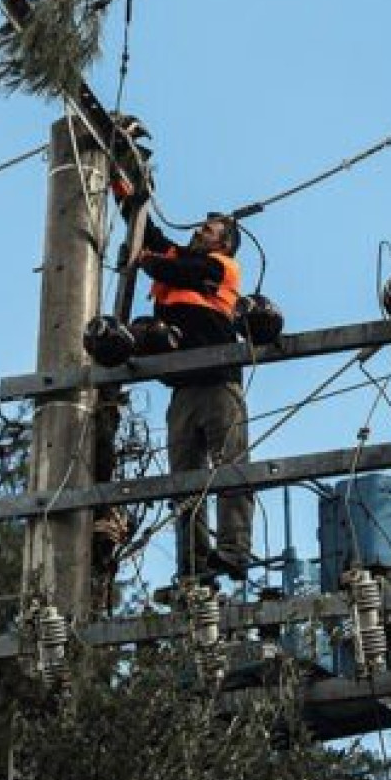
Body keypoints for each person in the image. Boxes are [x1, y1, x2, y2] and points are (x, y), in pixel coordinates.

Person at [131, 213, 254, 583]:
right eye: (200, 225)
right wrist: (127, 192)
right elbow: (149, 234)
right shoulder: (179, 258)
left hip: (218, 382)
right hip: (183, 388)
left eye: (209, 229)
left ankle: (234, 550)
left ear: (225, 243)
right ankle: (193, 565)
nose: (199, 229)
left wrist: (145, 262)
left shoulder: (221, 267)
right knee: (185, 482)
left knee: (230, 466)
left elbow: (178, 272)